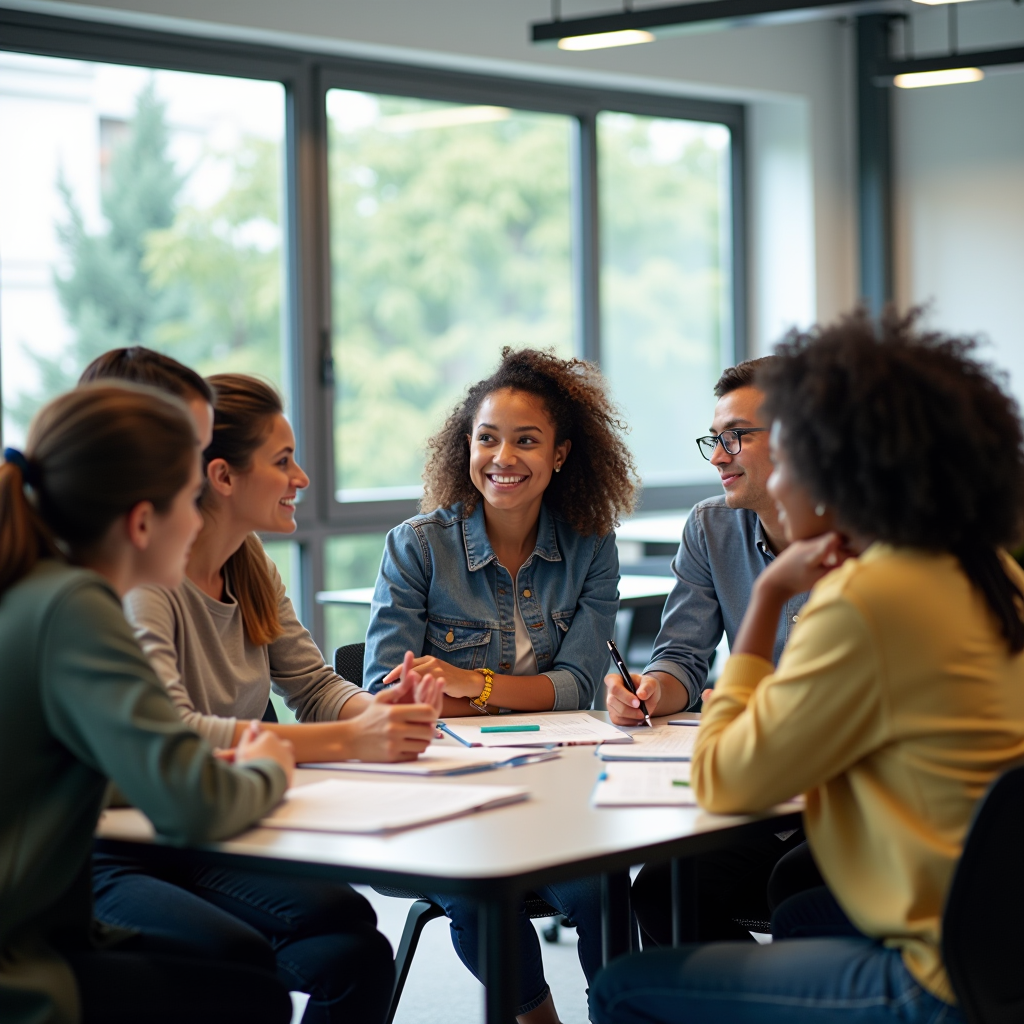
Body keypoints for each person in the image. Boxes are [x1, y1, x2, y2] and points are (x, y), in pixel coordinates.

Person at [590, 308, 1024, 1024]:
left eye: (788, 457)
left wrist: (765, 601)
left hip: (936, 969)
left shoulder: (865, 597)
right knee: (796, 905)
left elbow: (722, 779)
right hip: (997, 936)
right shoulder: (987, 571)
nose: (766, 474)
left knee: (622, 987)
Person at [90, 367, 442, 1024]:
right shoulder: (148, 580)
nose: (301, 478)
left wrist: (380, 712)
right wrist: (351, 738)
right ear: (222, 476)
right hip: (133, 838)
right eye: (283, 461)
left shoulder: (250, 563)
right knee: (247, 961)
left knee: (356, 948)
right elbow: (172, 729)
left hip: (216, 820)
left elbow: (312, 685)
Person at [0, 383, 297, 1024]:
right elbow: (194, 806)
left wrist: (191, 763)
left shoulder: (37, 589)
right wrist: (269, 766)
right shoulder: (76, 608)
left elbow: (87, 771)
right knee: (254, 996)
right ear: (141, 523)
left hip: (48, 927)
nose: (198, 520)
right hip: (21, 966)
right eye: (189, 500)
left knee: (244, 969)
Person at [364, 347, 637, 1024]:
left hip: (555, 785)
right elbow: (387, 695)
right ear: (466, 446)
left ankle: (621, 1014)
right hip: (446, 794)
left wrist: (465, 683)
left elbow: (575, 687)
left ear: (561, 455)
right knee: (477, 892)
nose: (502, 458)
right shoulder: (417, 546)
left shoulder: (591, 546)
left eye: (526, 441)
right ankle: (536, 1017)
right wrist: (513, 691)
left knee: (603, 890)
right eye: (487, 438)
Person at [606, 357, 809, 944]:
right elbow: (681, 657)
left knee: (800, 894)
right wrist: (652, 691)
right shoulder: (711, 527)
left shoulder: (867, 542)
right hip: (759, 793)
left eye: (736, 437)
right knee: (661, 891)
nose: (718, 456)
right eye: (714, 439)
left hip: (840, 796)